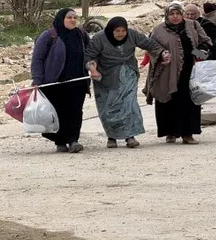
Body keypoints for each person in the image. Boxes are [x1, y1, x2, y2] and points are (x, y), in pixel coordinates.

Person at [86, 17, 170, 149]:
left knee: (129, 104)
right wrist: (93, 69)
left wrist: (162, 53)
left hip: (128, 73)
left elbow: (150, 44)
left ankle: (130, 136)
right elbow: (89, 55)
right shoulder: (99, 38)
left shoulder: (132, 35)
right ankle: (111, 137)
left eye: (123, 30)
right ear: (110, 30)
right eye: (117, 31)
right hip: (106, 77)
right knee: (109, 107)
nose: (120, 34)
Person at [145, 2, 212, 145]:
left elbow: (205, 42)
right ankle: (170, 132)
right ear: (167, 15)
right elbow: (151, 48)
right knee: (168, 101)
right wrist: (161, 54)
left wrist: (199, 53)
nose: (175, 17)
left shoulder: (192, 25)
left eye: (178, 13)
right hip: (167, 72)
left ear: (182, 14)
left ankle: (188, 134)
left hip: (189, 72)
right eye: (171, 14)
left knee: (189, 102)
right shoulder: (158, 30)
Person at [31, 8, 90, 153]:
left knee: (75, 111)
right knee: (57, 112)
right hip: (54, 83)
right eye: (69, 17)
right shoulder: (49, 36)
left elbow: (90, 53)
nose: (73, 20)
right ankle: (60, 141)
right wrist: (37, 79)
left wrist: (93, 67)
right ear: (61, 19)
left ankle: (73, 140)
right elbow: (37, 59)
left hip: (77, 81)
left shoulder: (81, 34)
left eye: (75, 17)